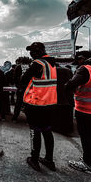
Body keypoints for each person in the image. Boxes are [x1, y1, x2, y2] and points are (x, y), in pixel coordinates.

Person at [21, 42, 57, 171]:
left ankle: (34, 159)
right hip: (50, 103)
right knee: (47, 130)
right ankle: (49, 160)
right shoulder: (52, 64)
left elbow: (23, 80)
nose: (30, 54)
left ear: (36, 52)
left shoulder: (38, 64)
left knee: (35, 130)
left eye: (31, 51)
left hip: (36, 103)